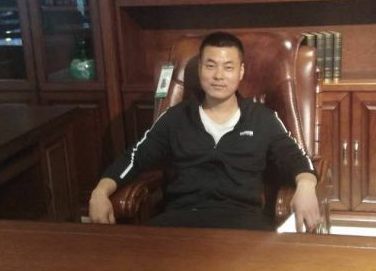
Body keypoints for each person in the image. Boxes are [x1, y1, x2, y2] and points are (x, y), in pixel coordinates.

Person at [89, 31, 321, 232]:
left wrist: (306, 186)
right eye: (210, 66)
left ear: (240, 71)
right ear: (200, 69)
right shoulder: (175, 118)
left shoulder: (262, 118)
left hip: (244, 224)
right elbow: (135, 157)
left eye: (228, 67)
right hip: (180, 221)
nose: (219, 76)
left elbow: (296, 157)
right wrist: (100, 192)